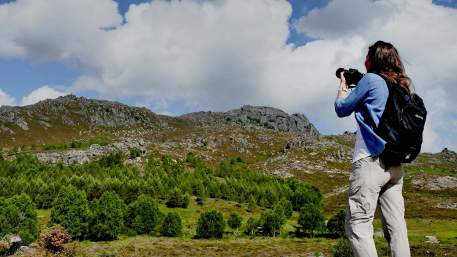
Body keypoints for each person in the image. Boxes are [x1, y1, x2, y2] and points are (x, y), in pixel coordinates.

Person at [334, 41, 411, 257]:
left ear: (372, 60)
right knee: (396, 229)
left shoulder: (371, 80)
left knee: (357, 224)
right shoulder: (401, 85)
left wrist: (343, 85)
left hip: (370, 161)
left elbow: (341, 109)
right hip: (395, 166)